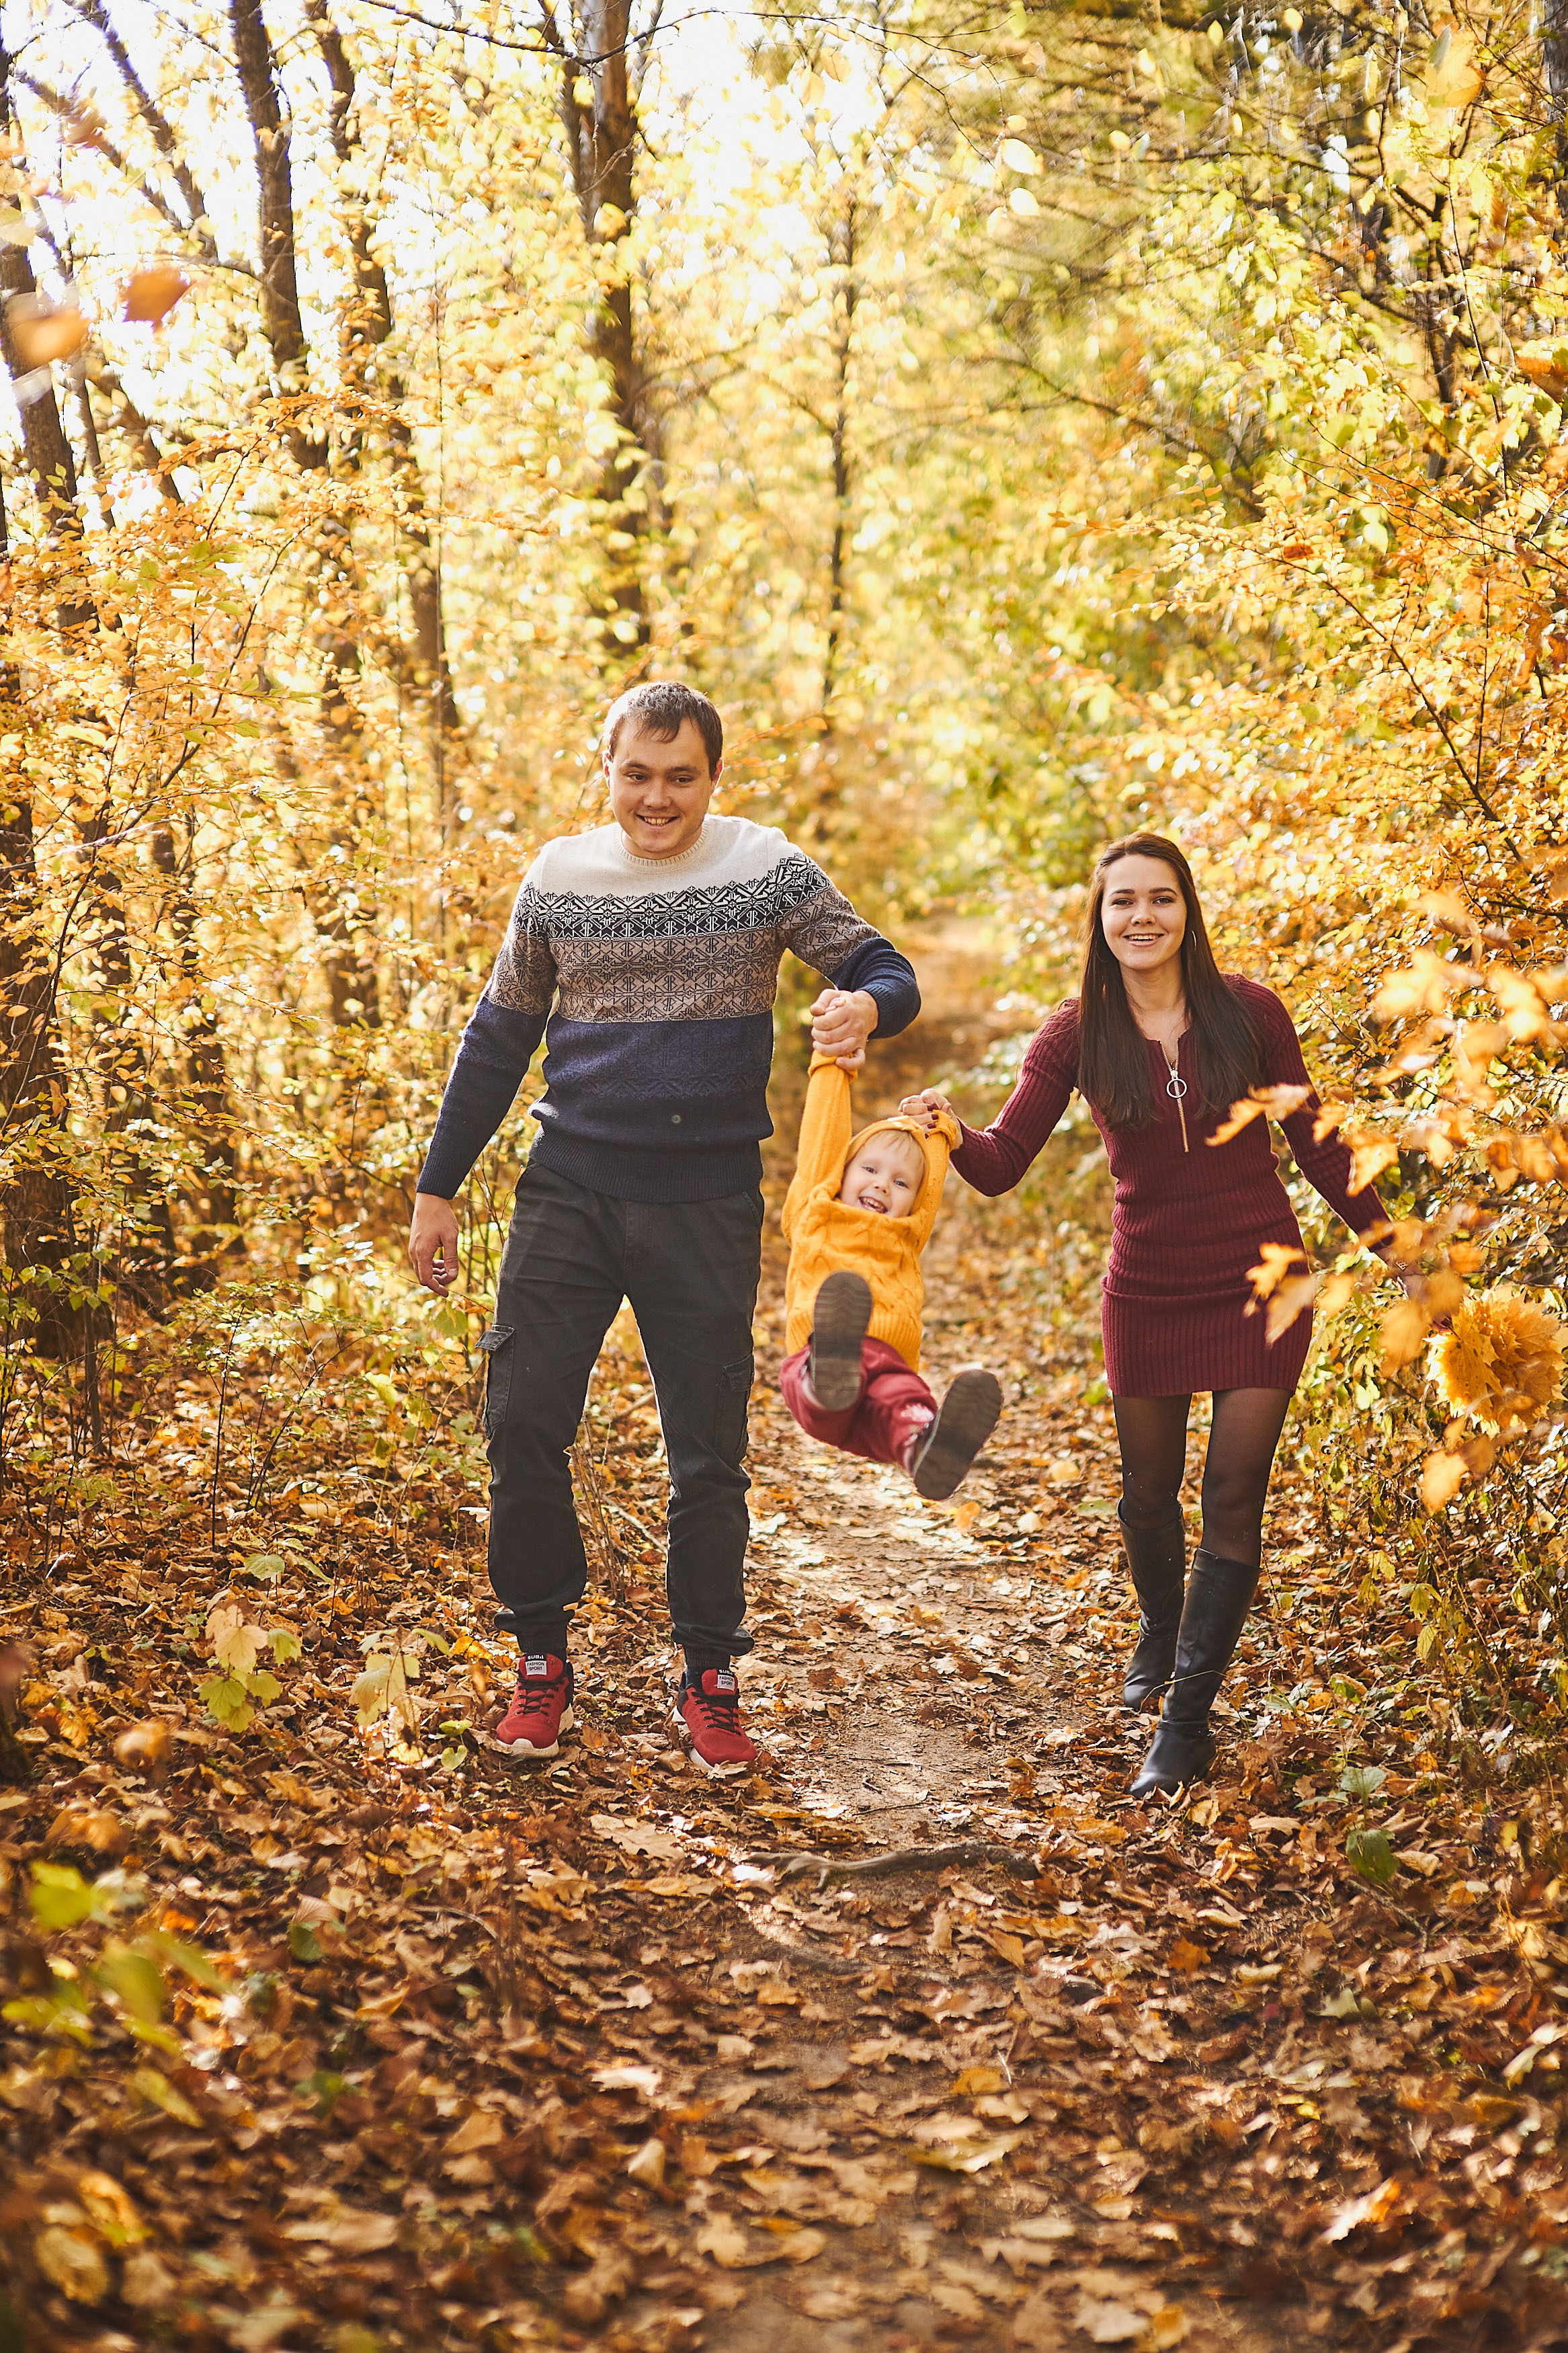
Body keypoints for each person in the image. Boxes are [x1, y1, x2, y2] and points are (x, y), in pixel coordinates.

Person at [408, 681, 919, 1779]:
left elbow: (885, 967)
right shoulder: (558, 879)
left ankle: (709, 1678)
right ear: (607, 769)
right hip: (568, 1195)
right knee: (522, 1422)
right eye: (636, 774)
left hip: (704, 1205)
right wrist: (436, 1186)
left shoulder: (762, 867)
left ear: (711, 777)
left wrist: (865, 1005)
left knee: (706, 1455)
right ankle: (539, 1663)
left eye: (679, 776)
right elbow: (497, 1039)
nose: (656, 797)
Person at [901, 832, 1393, 1798]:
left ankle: (1186, 1719)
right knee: (1145, 1489)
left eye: (1160, 899)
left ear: (1187, 910)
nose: (1141, 917)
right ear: (1099, 918)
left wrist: (1398, 1249)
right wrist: (951, 1130)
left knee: (1235, 1494)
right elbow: (1002, 1165)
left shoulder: (1249, 1014)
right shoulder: (1073, 1033)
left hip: (1261, 1278)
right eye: (1121, 901)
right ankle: (1160, 1635)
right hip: (1148, 1284)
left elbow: (1320, 1147)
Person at [780, 1021, 1001, 1494]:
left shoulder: (907, 1232)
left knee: (905, 1400)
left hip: (885, 1371)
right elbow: (821, 1136)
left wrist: (940, 1131)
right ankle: (829, 1377)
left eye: (901, 1183)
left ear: (913, 1200)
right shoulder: (815, 1211)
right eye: (870, 1169)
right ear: (843, 1172)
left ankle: (924, 1450)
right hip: (815, 1361)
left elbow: (931, 1187)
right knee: (828, 1380)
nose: (883, 1184)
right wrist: (832, 1068)